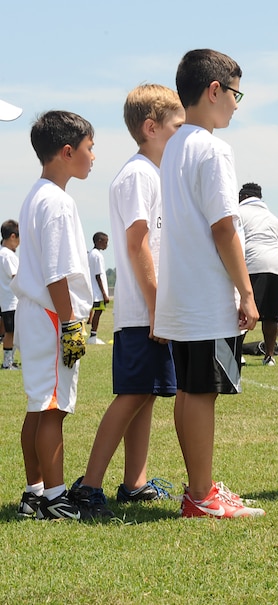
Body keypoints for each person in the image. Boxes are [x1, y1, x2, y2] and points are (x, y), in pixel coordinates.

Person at [155, 48, 264, 518]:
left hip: (182, 290)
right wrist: (246, 289)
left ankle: (198, 489)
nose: (237, 105)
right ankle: (201, 496)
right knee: (201, 392)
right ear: (214, 90)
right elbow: (224, 226)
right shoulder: (214, 147)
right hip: (204, 291)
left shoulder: (175, 144)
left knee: (189, 390)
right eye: (236, 93)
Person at [68, 84, 184, 519]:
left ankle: (134, 483)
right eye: (177, 126)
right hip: (143, 311)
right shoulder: (138, 174)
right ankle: (89, 485)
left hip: (151, 310)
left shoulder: (153, 173)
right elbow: (138, 244)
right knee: (132, 396)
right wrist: (157, 308)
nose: (183, 134)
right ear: (151, 128)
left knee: (146, 395)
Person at [12, 110, 95, 520]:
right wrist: (70, 323)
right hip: (50, 312)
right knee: (52, 407)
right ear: (67, 151)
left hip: (34, 310)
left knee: (37, 404)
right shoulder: (59, 202)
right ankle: (56, 498)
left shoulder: (35, 195)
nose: (93, 156)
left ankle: (35, 492)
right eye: (89, 147)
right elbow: (57, 272)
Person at [237, 182, 278, 366]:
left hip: (253, 265)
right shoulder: (274, 219)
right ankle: (269, 356)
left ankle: (237, 354)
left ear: (242, 197)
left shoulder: (239, 213)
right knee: (272, 316)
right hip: (277, 267)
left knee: (243, 311)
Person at [0, 219, 20, 369]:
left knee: (12, 332)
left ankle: (10, 360)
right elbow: (16, 277)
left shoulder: (3, 253)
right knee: (10, 333)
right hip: (12, 301)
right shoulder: (8, 255)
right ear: (13, 236)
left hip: (7, 300)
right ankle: (7, 363)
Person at [87, 231, 110, 344]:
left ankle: (92, 335)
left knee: (95, 311)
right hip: (98, 291)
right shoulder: (98, 256)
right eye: (106, 242)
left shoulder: (91, 253)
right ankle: (93, 336)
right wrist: (104, 294)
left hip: (92, 289)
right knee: (98, 311)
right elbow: (98, 275)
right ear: (99, 241)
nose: (107, 245)